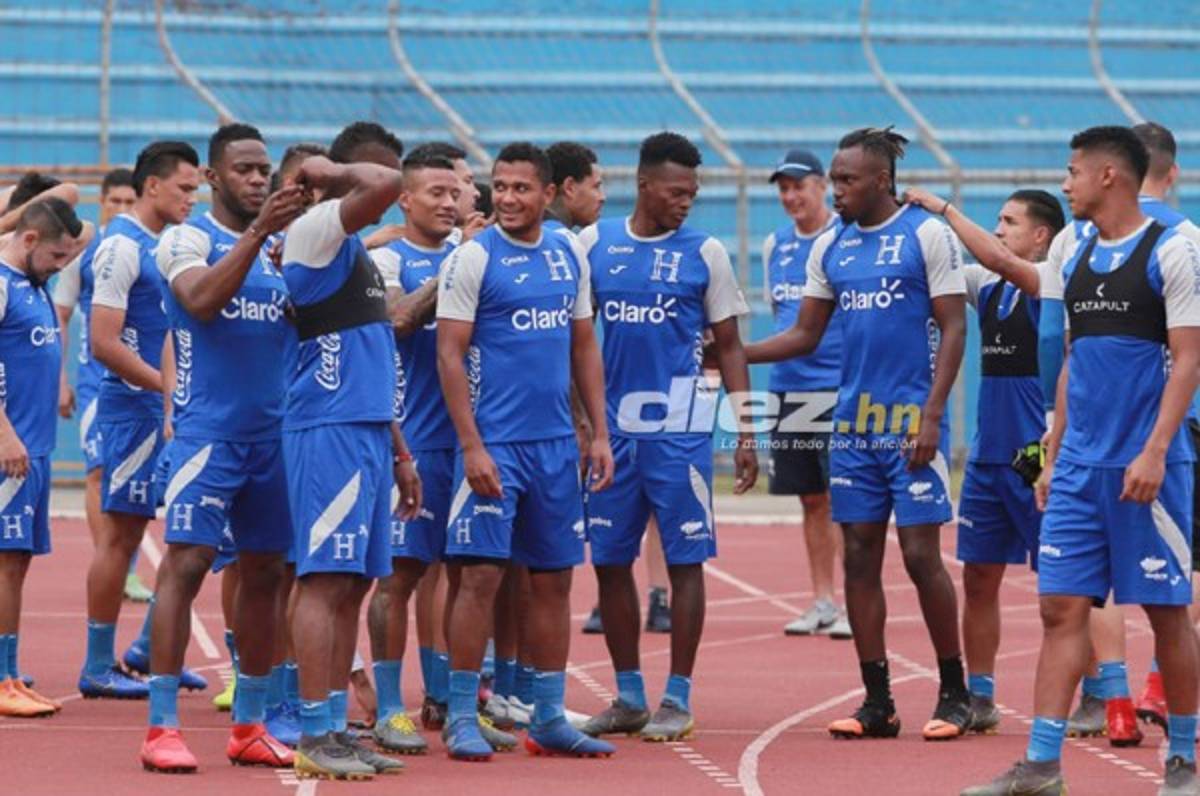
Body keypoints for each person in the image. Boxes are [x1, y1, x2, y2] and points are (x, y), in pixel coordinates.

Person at [964, 125, 1200, 796]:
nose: (1064, 183)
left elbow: (1189, 358)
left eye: (1072, 172)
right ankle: (1042, 765)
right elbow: (1074, 361)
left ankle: (1182, 761)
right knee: (1060, 610)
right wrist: (1052, 452)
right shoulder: (1075, 252)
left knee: (1165, 611)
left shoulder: (1174, 249)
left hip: (1146, 469)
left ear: (1108, 176)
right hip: (1076, 470)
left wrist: (1156, 450)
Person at [746, 127, 970, 741]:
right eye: (836, 179)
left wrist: (932, 415)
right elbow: (804, 335)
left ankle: (955, 693)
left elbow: (954, 328)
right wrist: (734, 352)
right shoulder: (831, 248)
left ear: (882, 181)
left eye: (846, 180)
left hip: (910, 421)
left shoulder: (926, 235)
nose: (837, 190)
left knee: (921, 556)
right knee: (860, 556)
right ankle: (879, 702)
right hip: (852, 426)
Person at [436, 141, 614, 760]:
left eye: (520, 188)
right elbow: (449, 354)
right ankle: (462, 715)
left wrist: (598, 431)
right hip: (495, 447)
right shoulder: (473, 257)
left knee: (554, 580)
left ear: (548, 193)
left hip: (556, 448)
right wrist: (471, 446)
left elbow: (583, 344)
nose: (507, 198)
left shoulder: (568, 252)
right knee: (480, 577)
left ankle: (548, 718)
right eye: (500, 186)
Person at [137, 123, 307, 773]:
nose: (259, 179)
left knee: (265, 575)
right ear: (212, 177)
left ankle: (250, 725)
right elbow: (201, 302)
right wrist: (259, 233)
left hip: (274, 438)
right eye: (244, 169)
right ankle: (161, 727)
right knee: (185, 567)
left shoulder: (284, 250)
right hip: (208, 436)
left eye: (265, 169)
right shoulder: (187, 238)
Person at [576, 132, 756, 743]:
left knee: (685, 561)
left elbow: (729, 346)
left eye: (692, 194)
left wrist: (746, 428)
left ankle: (677, 696)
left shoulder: (705, 252)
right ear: (644, 185)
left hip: (680, 428)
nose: (686, 202)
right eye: (676, 192)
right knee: (608, 562)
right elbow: (575, 338)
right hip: (613, 432)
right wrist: (583, 422)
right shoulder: (594, 244)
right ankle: (629, 696)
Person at [281, 121, 418, 781]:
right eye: (376, 175)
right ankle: (313, 728)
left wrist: (399, 452)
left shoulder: (352, 245)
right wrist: (335, 174)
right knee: (324, 579)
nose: (389, 194)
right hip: (327, 427)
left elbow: (373, 355)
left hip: (364, 429)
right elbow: (384, 182)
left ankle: (334, 725)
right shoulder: (315, 231)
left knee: (355, 583)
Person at [903, 185, 1065, 733]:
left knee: (1061, 584)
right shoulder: (986, 285)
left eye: (1009, 221)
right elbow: (942, 273)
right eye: (997, 219)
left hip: (1032, 455)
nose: (998, 229)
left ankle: (1098, 688)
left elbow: (995, 257)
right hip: (988, 456)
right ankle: (981, 694)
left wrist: (944, 209)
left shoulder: (1051, 281)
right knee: (977, 578)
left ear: (1040, 235)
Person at [82, 141, 200, 699]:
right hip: (134, 408)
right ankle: (96, 664)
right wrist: (167, 388)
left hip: (176, 408)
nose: (192, 199)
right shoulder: (121, 246)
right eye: (184, 188)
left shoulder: (174, 243)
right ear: (152, 185)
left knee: (195, 533)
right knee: (122, 535)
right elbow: (103, 342)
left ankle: (151, 647)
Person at [365, 145, 463, 755]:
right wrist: (454, 270)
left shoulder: (472, 254)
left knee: (459, 572)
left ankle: (445, 698)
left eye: (455, 193)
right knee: (398, 577)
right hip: (413, 439)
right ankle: (388, 708)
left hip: (469, 440)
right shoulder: (387, 258)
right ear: (405, 200)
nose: (449, 204)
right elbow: (399, 319)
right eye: (436, 193)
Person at [0, 198, 87, 717]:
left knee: (18, 563)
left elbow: (79, 221)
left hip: (36, 450)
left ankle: (11, 673)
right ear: (29, 240)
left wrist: (54, 238)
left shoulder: (36, 280)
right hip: (10, 450)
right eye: (56, 256)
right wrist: (4, 435)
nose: (61, 266)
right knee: (5, 563)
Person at [1127, 121, 1200, 734]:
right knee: (1183, 571)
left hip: (1111, 426)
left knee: (1084, 581)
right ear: (1173, 172)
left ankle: (1106, 695)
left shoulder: (1088, 238)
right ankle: (1163, 689)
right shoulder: (1186, 237)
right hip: (1184, 424)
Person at [762, 149, 850, 640]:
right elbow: (779, 313)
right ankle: (823, 599)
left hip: (837, 387)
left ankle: (855, 602)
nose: (791, 196)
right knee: (811, 500)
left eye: (799, 186)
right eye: (783, 188)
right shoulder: (775, 244)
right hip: (788, 388)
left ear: (822, 185)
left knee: (845, 500)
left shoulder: (843, 238)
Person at [51, 170, 150, 602]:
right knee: (97, 471)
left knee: (135, 480)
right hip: (97, 381)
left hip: (144, 383)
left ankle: (122, 561)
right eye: (115, 201)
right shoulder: (85, 253)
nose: (122, 209)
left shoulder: (152, 248)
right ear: (102, 202)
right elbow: (60, 314)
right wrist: (60, 380)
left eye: (130, 201)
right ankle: (112, 563)